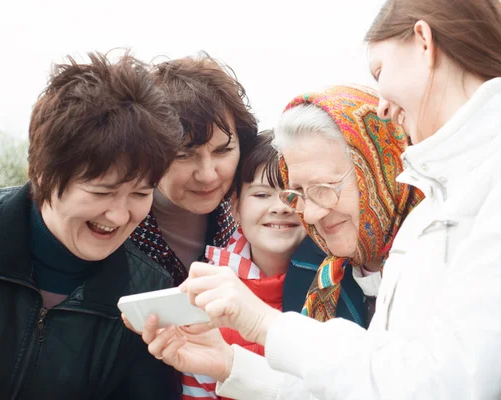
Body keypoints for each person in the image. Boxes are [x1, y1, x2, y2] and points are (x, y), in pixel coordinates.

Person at [138, 0, 501, 398]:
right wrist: (233, 366)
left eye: (379, 72)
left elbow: (452, 380)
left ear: (424, 43)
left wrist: (264, 324)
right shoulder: (434, 206)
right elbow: (382, 381)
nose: (383, 107)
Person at [133, 84, 422, 395]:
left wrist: (261, 323)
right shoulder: (326, 277)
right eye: (297, 193)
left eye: (325, 187)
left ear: (380, 171)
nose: (307, 214)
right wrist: (229, 364)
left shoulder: (437, 262)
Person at [0, 52, 184, 399]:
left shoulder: (147, 294)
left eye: (140, 193)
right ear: (43, 173)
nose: (120, 216)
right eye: (101, 191)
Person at [182, 129, 307, 399]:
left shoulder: (340, 284)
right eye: (262, 195)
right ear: (235, 208)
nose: (281, 207)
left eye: (294, 193)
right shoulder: (209, 295)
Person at [130, 52, 258, 286]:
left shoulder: (258, 216)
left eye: (223, 150)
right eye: (184, 155)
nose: (208, 175)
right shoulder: (116, 223)